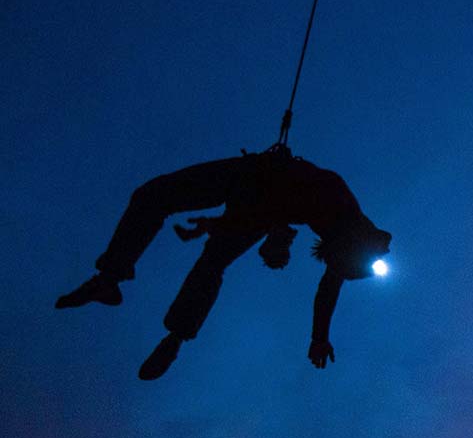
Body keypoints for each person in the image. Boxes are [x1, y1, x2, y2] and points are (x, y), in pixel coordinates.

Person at [55, 145, 392, 380]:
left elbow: (327, 290)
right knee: (154, 198)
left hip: (256, 196)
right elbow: (268, 205)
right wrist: (237, 228)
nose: (329, 266)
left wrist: (319, 337)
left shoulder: (343, 241)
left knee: (208, 259)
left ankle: (173, 338)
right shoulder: (335, 200)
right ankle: (110, 278)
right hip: (250, 179)